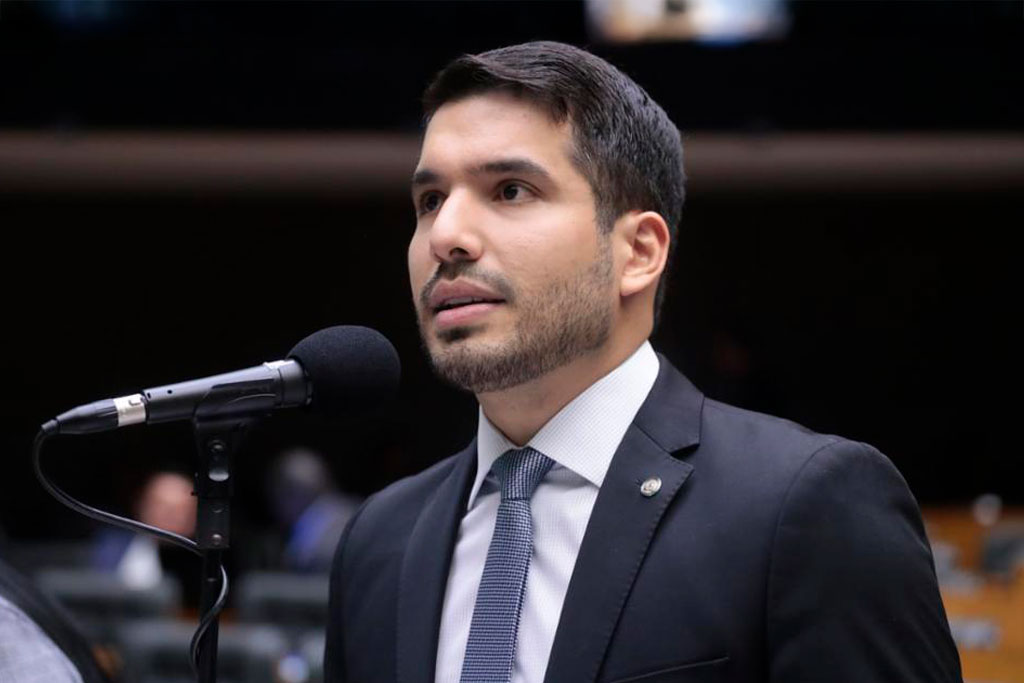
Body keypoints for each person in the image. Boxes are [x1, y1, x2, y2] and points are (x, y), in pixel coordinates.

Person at [324, 41, 961, 682]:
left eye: (510, 190)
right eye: (430, 200)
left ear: (639, 252)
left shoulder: (807, 506)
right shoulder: (379, 540)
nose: (444, 236)